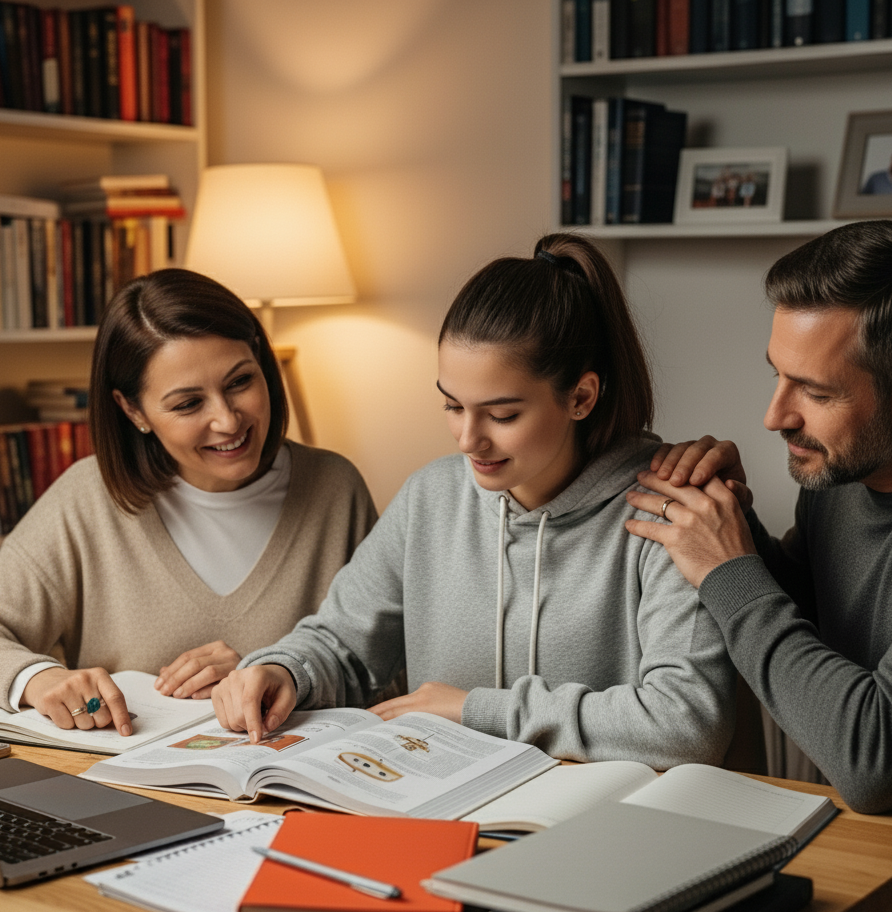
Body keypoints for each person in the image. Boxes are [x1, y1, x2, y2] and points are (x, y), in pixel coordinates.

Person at [626, 220, 892, 912]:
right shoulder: (850, 464)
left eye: (814, 393)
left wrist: (725, 568)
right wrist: (738, 520)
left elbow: (875, 758)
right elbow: (821, 623)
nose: (774, 416)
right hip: (868, 865)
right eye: (777, 377)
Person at [210, 234, 736, 767]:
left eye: (502, 415)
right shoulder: (430, 497)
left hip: (601, 826)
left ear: (581, 397)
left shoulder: (670, 511)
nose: (467, 440)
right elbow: (342, 643)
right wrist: (283, 670)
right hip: (442, 805)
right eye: (452, 405)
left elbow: (686, 722)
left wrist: (478, 711)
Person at [0, 269, 377, 736]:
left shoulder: (335, 487)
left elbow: (382, 672)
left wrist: (277, 674)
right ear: (133, 410)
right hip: (127, 794)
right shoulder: (88, 498)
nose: (227, 420)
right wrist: (39, 679)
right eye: (188, 405)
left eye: (240, 381)